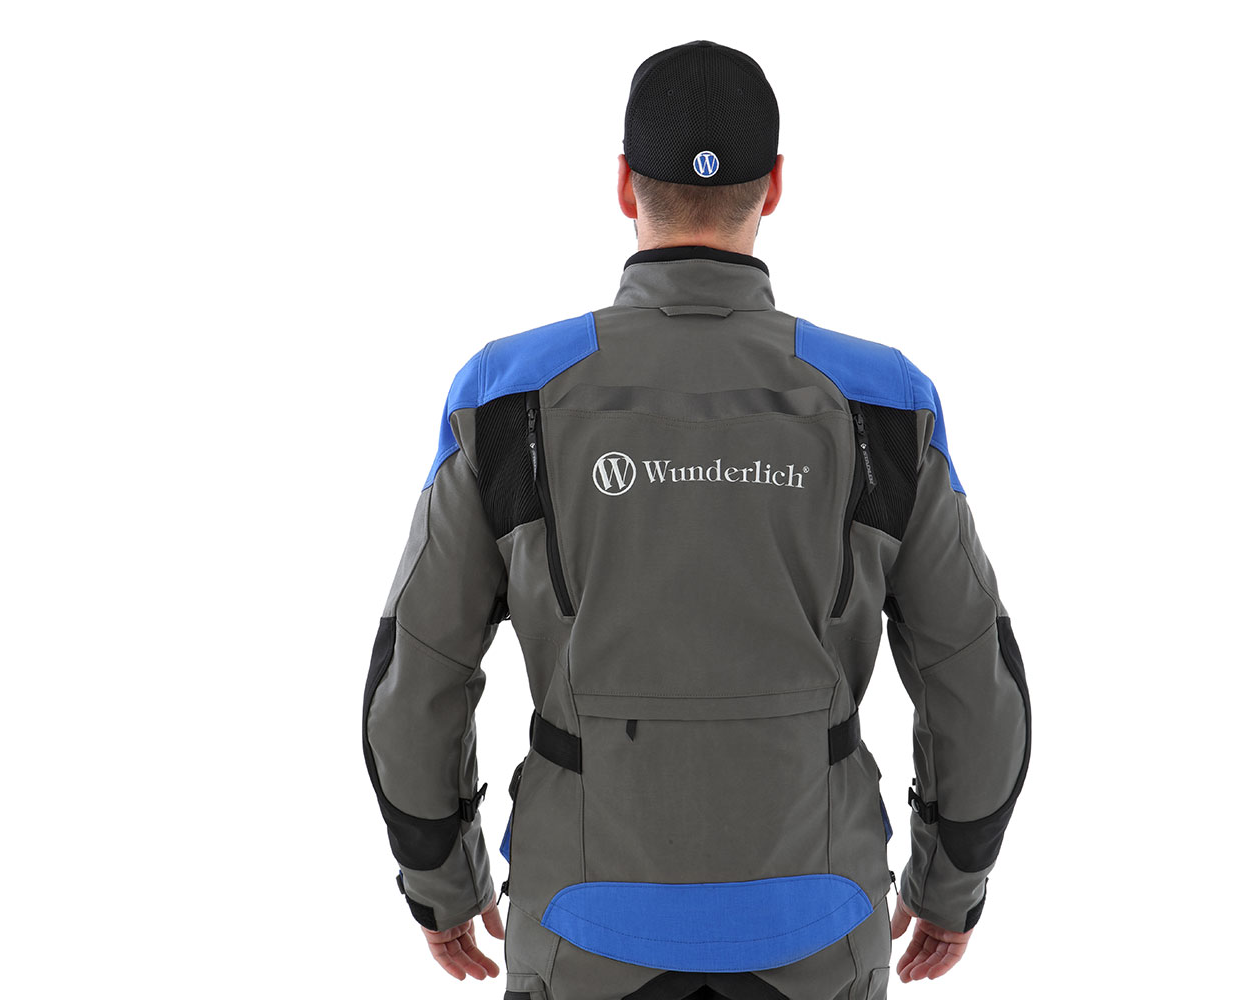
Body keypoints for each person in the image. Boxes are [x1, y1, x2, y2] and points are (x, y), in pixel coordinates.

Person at [362, 40, 1031, 999]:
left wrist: (444, 884)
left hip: (582, 929)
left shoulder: (506, 397)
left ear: (623, 184)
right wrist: (948, 886)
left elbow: (416, 678)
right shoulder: (885, 402)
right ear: (777, 186)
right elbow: (975, 683)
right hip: (818, 929)